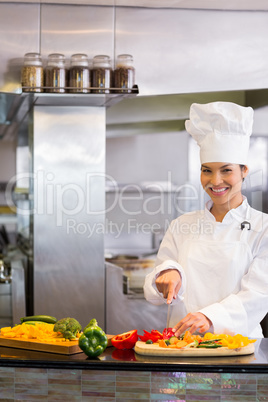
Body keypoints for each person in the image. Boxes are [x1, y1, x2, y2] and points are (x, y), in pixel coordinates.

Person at [144, 101, 268, 338]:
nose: (216, 180)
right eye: (207, 170)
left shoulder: (264, 228)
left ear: (244, 171)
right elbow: (153, 290)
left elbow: (259, 294)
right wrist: (167, 273)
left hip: (240, 349)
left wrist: (210, 317)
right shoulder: (181, 225)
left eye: (226, 170)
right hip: (182, 348)